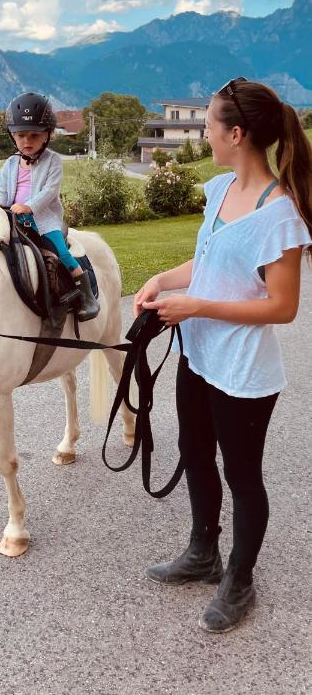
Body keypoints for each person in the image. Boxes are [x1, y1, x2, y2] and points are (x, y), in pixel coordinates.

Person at [133, 77, 312, 633]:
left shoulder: (279, 215)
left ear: (236, 133)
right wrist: (164, 280)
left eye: (209, 125)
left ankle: (240, 577)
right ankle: (202, 552)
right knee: (194, 451)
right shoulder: (218, 190)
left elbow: (283, 308)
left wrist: (198, 307)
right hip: (200, 356)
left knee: (243, 474)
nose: (205, 133)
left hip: (244, 375)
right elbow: (208, 266)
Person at [0, 92, 99, 322]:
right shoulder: (10, 163)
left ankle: (86, 294)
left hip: (44, 220)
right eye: (21, 136)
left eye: (34, 135)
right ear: (13, 136)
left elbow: (50, 192)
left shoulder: (53, 161)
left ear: (47, 136)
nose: (27, 141)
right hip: (14, 219)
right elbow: (1, 188)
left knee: (61, 252)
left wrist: (29, 206)